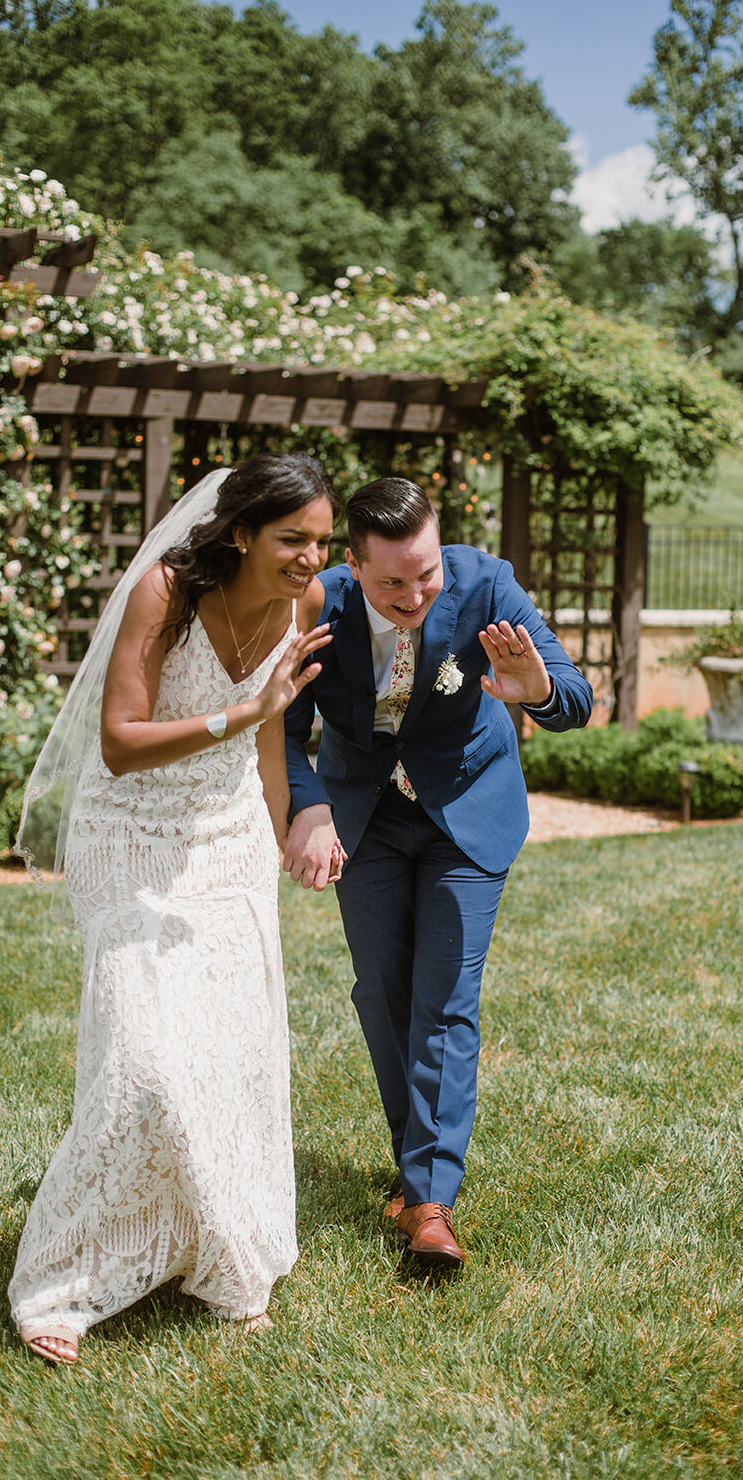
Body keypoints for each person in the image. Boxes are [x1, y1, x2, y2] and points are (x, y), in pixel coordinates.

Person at [9, 453, 341, 1365]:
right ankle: (63, 1280)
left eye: (322, 541)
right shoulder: (165, 589)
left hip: (228, 835)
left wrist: (290, 831)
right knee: (145, 1060)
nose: (312, 559)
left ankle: (227, 1259)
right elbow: (119, 745)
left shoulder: (304, 605)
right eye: (292, 540)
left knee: (232, 1059)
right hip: (129, 833)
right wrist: (244, 713)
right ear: (240, 533)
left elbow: (276, 738)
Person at [282, 477, 593, 1269]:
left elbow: (578, 697)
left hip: (467, 812)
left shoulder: (486, 583)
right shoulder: (323, 604)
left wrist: (540, 690)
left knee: (445, 999)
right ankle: (413, 1160)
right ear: (353, 565)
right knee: (382, 992)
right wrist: (307, 805)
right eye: (391, 581)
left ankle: (430, 1202)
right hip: (366, 818)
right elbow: (280, 727)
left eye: (426, 574)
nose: (415, 593)